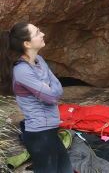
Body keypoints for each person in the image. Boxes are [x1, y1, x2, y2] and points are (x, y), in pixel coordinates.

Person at [0, 23, 72, 173]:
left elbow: (58, 88)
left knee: (66, 169)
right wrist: (49, 88)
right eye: (37, 32)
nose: (43, 34)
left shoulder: (39, 60)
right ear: (27, 43)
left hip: (50, 129)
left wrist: (49, 89)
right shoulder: (21, 71)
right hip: (39, 134)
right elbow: (52, 96)